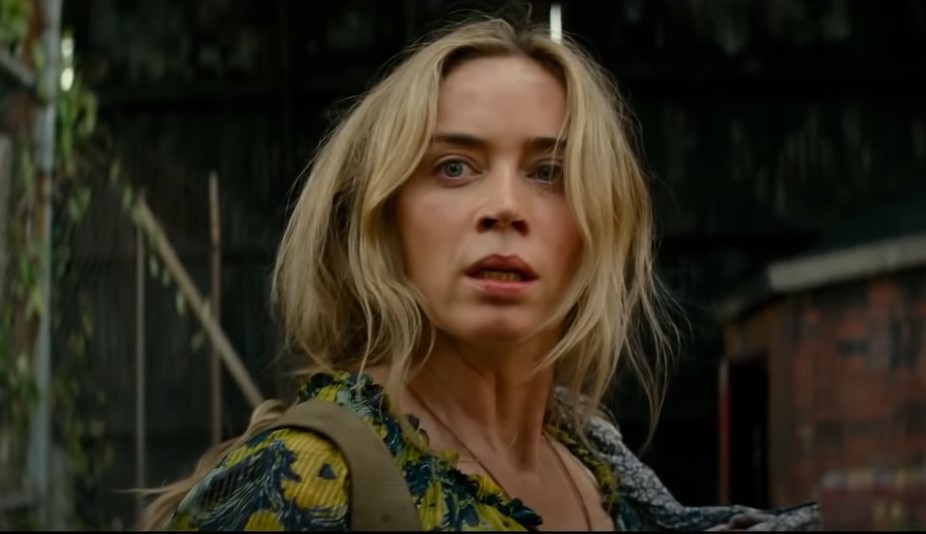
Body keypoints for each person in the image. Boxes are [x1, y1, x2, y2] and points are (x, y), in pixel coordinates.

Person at [140, 15, 821, 532]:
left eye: (549, 172)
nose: (504, 207)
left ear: (596, 227)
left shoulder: (602, 469)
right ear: (383, 220)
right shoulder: (299, 483)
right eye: (454, 167)